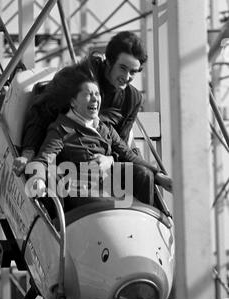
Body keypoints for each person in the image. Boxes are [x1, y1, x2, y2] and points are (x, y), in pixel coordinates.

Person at [20, 63, 172, 208]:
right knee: (106, 201)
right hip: (81, 188)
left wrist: (158, 176)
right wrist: (38, 179)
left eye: (97, 94)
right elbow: (44, 158)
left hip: (110, 183)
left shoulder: (104, 127)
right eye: (88, 94)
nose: (95, 99)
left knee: (143, 174)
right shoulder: (61, 129)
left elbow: (127, 154)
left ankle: (145, 222)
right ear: (73, 102)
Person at [82, 31, 147, 151]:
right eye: (122, 68)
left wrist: (109, 160)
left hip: (107, 159)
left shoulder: (132, 99)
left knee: (145, 170)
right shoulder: (83, 79)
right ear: (109, 61)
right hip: (68, 153)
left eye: (133, 72)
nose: (127, 77)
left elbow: (122, 143)